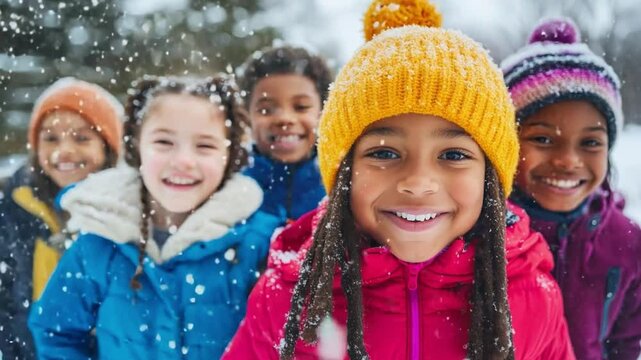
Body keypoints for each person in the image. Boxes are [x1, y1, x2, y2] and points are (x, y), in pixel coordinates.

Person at [222, 0, 575, 359]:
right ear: (343, 171)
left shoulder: (531, 296)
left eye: (453, 155)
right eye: (384, 153)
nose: (418, 182)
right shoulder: (287, 299)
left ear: (491, 177)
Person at [28, 75, 279, 359]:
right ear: (137, 146)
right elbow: (57, 332)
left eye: (205, 146)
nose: (184, 160)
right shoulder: (100, 240)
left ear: (229, 154)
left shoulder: (261, 246)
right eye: (164, 142)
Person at [502, 17, 641, 359]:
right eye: (543, 138)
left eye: (590, 142)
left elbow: (626, 343)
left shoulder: (627, 243)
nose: (568, 160)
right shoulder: (483, 235)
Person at [0, 77, 123, 360]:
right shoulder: (13, 211)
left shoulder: (125, 216)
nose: (64, 151)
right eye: (51, 138)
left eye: (82, 138)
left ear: (108, 147)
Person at [238, 45, 333, 224]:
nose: (284, 119)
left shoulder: (340, 191)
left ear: (324, 112)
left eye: (301, 107)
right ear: (246, 116)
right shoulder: (227, 187)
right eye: (266, 109)